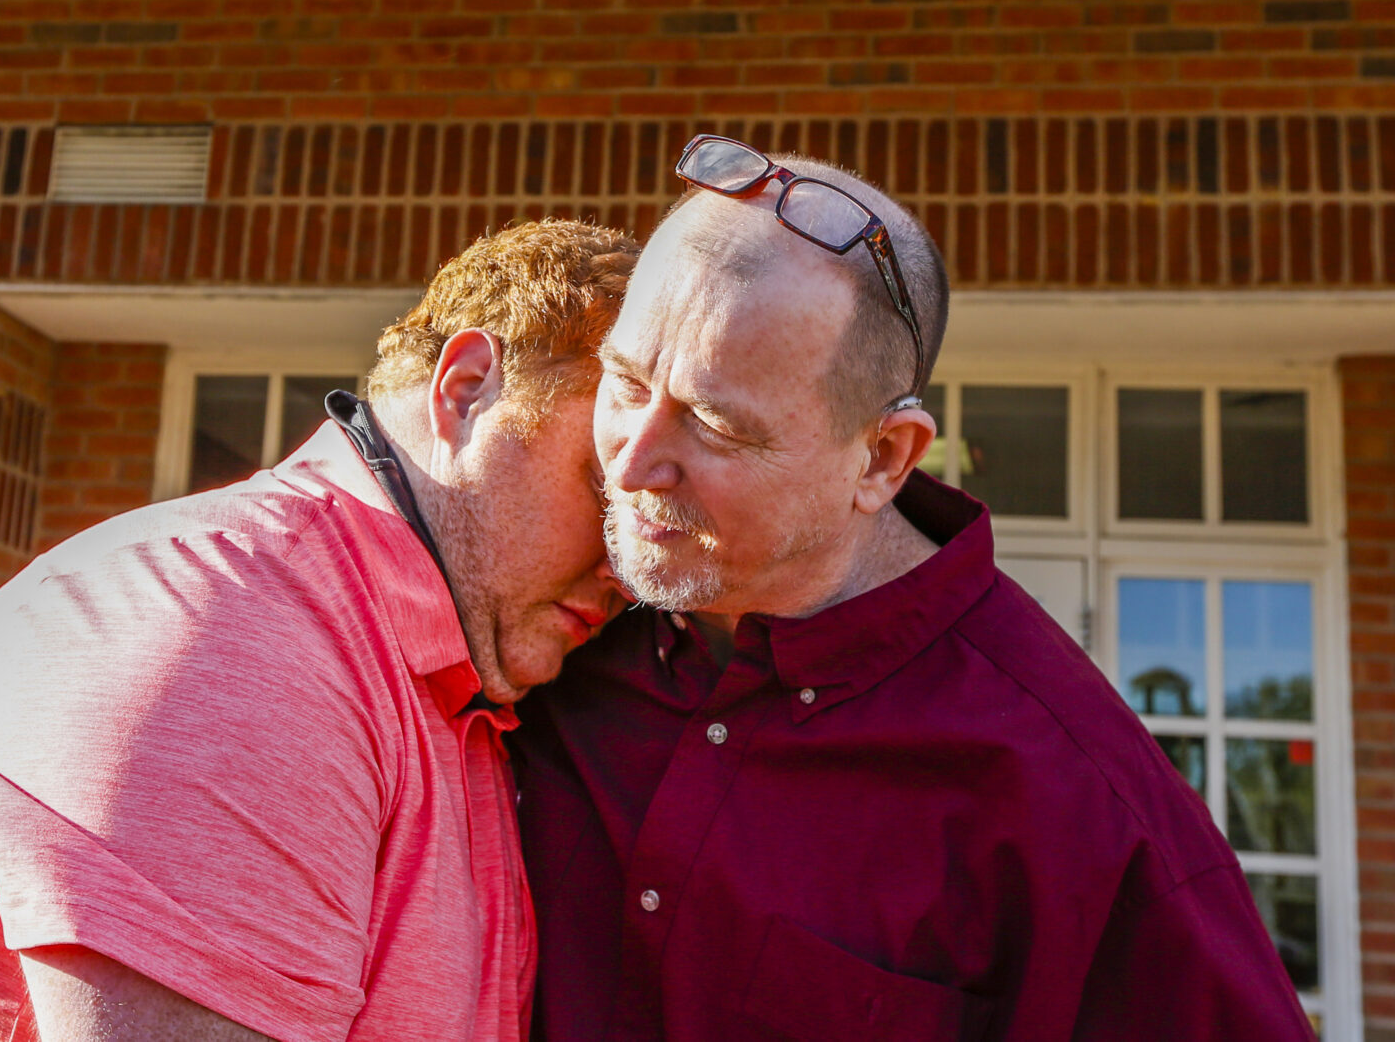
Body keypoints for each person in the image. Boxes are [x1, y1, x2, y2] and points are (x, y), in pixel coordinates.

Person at [511, 135, 1318, 1041]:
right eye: (625, 381)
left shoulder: (1077, 801)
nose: (633, 462)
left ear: (882, 458)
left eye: (713, 423)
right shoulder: (546, 612)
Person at [0, 220, 637, 1042]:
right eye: (606, 489)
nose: (631, 567)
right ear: (466, 388)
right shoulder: (230, 636)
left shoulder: (436, 669)